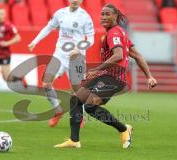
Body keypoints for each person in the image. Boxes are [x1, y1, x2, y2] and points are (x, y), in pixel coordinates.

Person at [54, 3, 157, 148]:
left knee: (90, 106)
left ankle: (123, 129)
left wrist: (97, 69)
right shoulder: (120, 33)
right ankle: (74, 140)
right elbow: (137, 55)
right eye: (102, 14)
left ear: (116, 16)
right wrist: (149, 76)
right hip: (106, 77)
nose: (103, 17)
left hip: (113, 78)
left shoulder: (114, 33)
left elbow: (118, 55)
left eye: (107, 14)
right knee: (76, 99)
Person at [28, 0, 95, 127]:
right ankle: (58, 110)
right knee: (46, 84)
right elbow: (49, 27)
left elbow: (91, 39)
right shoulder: (60, 13)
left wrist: (79, 48)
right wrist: (35, 41)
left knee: (76, 92)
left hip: (77, 58)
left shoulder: (85, 17)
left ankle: (79, 116)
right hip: (59, 55)